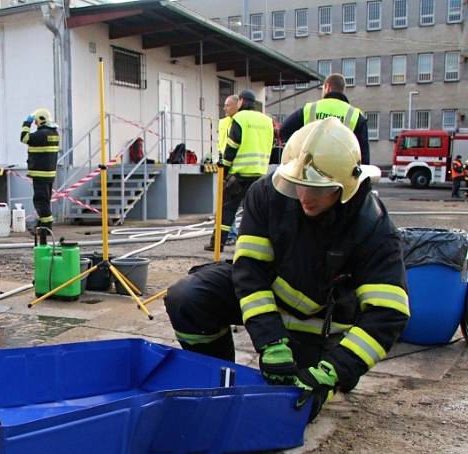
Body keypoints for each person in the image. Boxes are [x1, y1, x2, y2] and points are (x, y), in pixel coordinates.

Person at [165, 118, 410, 422]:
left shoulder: (373, 227)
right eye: (299, 184)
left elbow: (388, 313)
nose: (305, 196)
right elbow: (250, 270)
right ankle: (219, 380)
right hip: (271, 300)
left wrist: (335, 369)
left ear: (345, 186)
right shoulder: (267, 195)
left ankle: (318, 369)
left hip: (320, 324)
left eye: (317, 189)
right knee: (187, 297)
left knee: (292, 407)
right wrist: (270, 340)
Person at [205, 89, 274, 252]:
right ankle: (253, 246)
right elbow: (270, 144)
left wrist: (225, 170)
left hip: (240, 174)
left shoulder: (240, 118)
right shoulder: (266, 120)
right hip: (260, 173)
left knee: (227, 210)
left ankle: (217, 243)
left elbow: (232, 147)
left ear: (241, 102)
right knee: (256, 211)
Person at [280, 73, 370, 164]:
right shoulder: (355, 116)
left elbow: (284, 130)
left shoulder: (310, 109)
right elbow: (364, 157)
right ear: (342, 90)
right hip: (342, 172)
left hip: (309, 170)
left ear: (327, 87)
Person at [20, 108, 60, 238]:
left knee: (40, 201)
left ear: (40, 120)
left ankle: (46, 228)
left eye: (36, 121)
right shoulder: (54, 133)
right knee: (45, 201)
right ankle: (42, 226)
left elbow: (24, 138)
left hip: (40, 174)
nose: (35, 124)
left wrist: (27, 123)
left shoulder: (40, 135)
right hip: (49, 174)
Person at [217, 94, 239, 161]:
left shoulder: (241, 121)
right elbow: (220, 142)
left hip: (236, 161)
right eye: (224, 106)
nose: (224, 108)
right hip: (223, 159)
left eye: (227, 106)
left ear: (237, 106)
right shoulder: (222, 122)